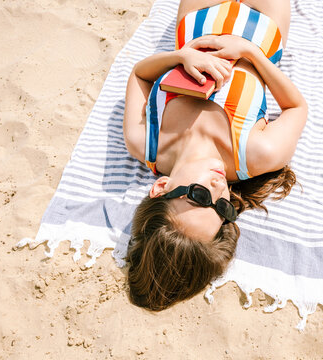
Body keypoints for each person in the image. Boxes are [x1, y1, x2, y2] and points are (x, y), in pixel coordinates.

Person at [123, 0, 307, 311]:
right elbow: (296, 108)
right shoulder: (255, 152)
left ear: (160, 188)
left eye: (197, 195)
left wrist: (180, 57)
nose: (218, 188)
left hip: (196, 20)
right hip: (261, 26)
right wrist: (250, 54)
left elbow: (140, 76)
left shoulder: (144, 142)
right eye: (223, 207)